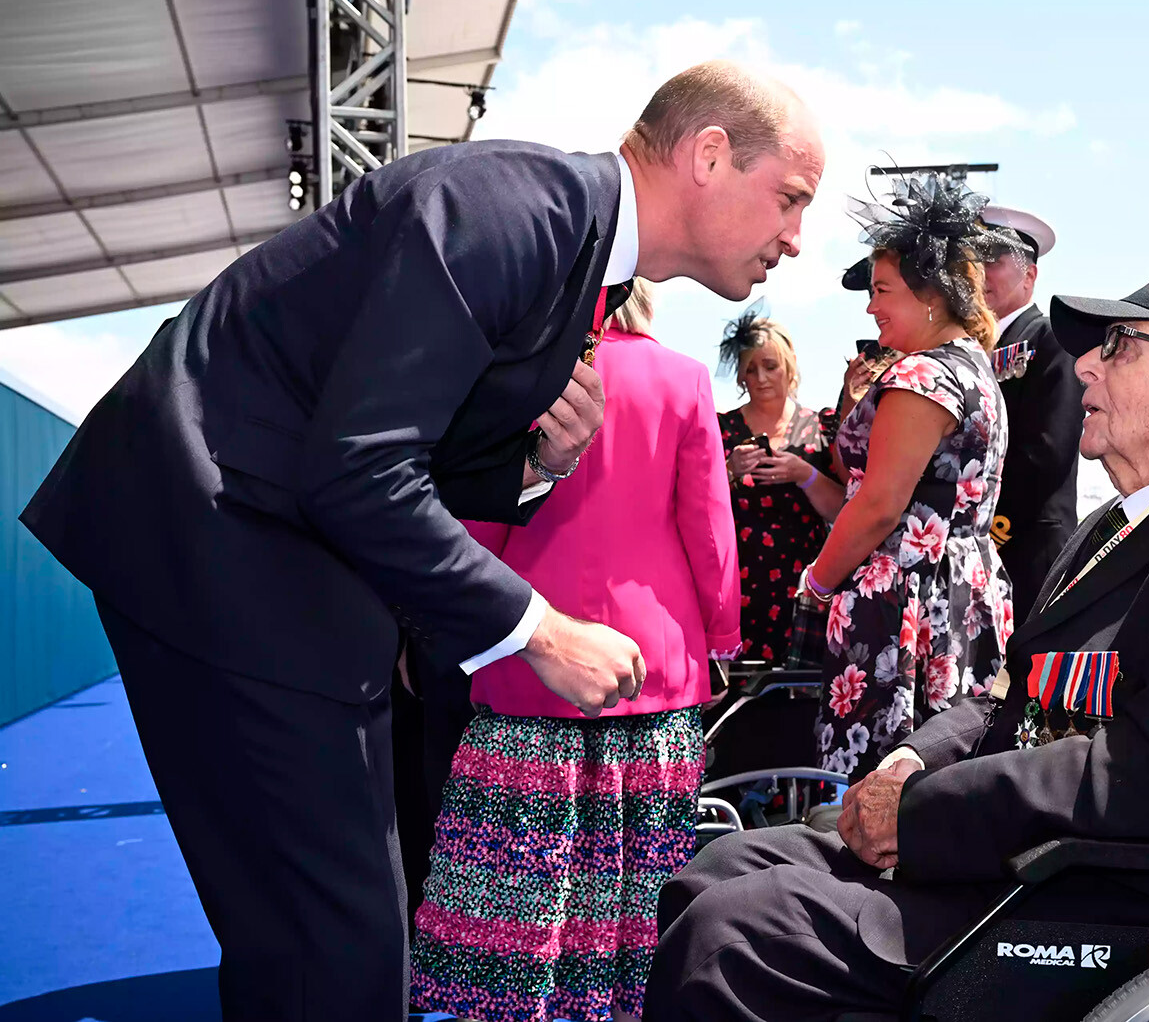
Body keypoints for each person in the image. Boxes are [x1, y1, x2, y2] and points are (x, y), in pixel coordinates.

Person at [19, 60, 824, 1020]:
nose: (795, 238)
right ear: (708, 155)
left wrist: (535, 464)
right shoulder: (515, 210)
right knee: (338, 947)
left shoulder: (568, 248)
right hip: (220, 537)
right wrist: (539, 629)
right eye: (790, 198)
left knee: (326, 942)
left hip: (261, 550)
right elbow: (357, 468)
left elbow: (400, 447)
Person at [643, 267, 1149, 1020]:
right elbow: (1009, 695)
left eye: (1120, 346)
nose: (1086, 366)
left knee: (733, 937)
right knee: (716, 869)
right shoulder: (1116, 527)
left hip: (1113, 896)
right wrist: (913, 760)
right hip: (1035, 862)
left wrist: (921, 812)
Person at [409, 280, 740, 1022]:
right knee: (637, 903)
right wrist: (721, 638)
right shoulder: (684, 378)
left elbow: (477, 525)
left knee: (513, 904)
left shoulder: (517, 380)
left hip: (530, 662)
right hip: (653, 671)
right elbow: (710, 529)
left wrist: (441, 628)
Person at [804, 174, 1023, 782]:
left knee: (879, 783)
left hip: (904, 599)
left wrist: (817, 583)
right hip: (962, 590)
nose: (870, 307)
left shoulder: (921, 376)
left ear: (930, 295)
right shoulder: (976, 368)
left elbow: (878, 503)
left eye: (882, 290)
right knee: (941, 769)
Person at [718, 305, 845, 663]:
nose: (760, 378)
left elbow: (844, 510)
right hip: (735, 586)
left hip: (804, 587)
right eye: (750, 369)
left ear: (790, 366)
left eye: (770, 366)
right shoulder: (720, 429)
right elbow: (692, 503)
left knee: (800, 688)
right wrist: (728, 469)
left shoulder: (822, 427)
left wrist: (804, 474)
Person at [978, 204, 1085, 611]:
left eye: (993, 260)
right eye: (972, 261)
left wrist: (987, 530)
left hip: (1028, 549)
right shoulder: (972, 350)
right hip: (984, 547)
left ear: (1030, 275)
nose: (979, 273)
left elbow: (1047, 453)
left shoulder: (1052, 338)